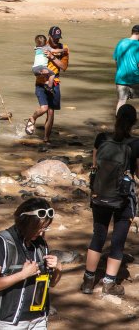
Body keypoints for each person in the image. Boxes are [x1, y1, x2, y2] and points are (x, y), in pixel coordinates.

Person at [80, 104, 139, 297]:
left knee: (98, 235)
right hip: (123, 197)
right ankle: (109, 283)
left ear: (116, 118)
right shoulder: (136, 144)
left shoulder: (102, 138)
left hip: (100, 194)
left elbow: (95, 166)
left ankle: (88, 281)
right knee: (118, 241)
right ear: (134, 122)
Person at [0, 198, 62, 329]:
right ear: (25, 222)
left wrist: (58, 268)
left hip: (39, 318)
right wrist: (23, 274)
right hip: (9, 321)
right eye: (37, 228)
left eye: (45, 228)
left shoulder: (40, 244)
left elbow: (51, 284)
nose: (41, 233)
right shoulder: (1, 243)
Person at [25, 26, 69, 144]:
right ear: (49, 37)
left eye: (58, 38)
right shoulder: (43, 45)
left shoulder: (63, 48)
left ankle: (46, 139)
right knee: (44, 109)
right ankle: (33, 118)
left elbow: (64, 67)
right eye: (54, 38)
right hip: (40, 82)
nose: (57, 40)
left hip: (55, 83)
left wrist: (52, 57)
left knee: (51, 111)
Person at [113, 24, 139, 113]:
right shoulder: (138, 45)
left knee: (121, 102)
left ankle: (118, 123)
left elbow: (116, 60)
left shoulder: (121, 42)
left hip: (120, 78)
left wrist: (119, 72)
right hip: (135, 78)